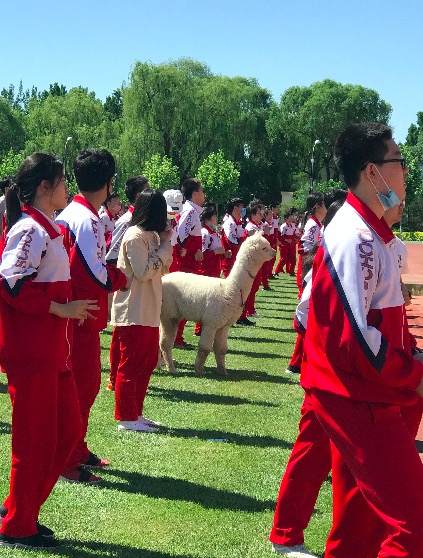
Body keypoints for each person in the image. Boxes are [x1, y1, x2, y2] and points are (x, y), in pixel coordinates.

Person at [303, 122, 423, 557]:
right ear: (373, 172)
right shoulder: (354, 237)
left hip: (368, 391)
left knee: (361, 526)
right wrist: (413, 373)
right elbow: (352, 340)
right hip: (357, 396)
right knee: (416, 528)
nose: (407, 171)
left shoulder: (372, 232)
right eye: (400, 161)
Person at [0, 153, 98, 550]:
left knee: (68, 431)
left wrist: (64, 310)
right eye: (61, 182)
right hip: (32, 355)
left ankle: (19, 510)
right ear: (44, 188)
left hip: (50, 352)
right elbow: (10, 285)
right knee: (34, 442)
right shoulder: (29, 229)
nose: (67, 189)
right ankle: (18, 523)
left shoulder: (46, 226)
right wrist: (61, 308)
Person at [57, 149, 128, 483]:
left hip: (79, 314)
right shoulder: (85, 218)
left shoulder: (77, 212)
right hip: (79, 315)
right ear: (109, 182)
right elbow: (91, 271)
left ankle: (77, 448)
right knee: (81, 388)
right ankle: (68, 462)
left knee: (86, 385)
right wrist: (120, 278)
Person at [111, 189, 172, 432]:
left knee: (146, 363)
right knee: (131, 364)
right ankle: (126, 417)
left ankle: (136, 412)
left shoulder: (151, 236)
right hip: (133, 309)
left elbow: (162, 268)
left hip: (148, 308)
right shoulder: (135, 236)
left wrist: (164, 246)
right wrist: (165, 246)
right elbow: (143, 271)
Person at [106, 175, 150, 391]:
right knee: (121, 331)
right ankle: (114, 377)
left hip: (142, 287)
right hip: (127, 285)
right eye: (147, 189)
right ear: (139, 195)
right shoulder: (126, 222)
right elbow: (111, 255)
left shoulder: (142, 220)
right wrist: (121, 281)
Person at [174, 178, 205, 349]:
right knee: (184, 300)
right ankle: (176, 338)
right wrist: (194, 251)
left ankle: (178, 336)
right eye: (202, 191)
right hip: (187, 262)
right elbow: (181, 235)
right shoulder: (190, 212)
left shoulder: (193, 211)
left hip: (190, 261)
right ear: (194, 194)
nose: (204, 194)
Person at [194, 204, 231, 335]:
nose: (217, 218)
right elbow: (201, 255)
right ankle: (199, 328)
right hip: (206, 271)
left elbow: (216, 251)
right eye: (215, 216)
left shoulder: (214, 233)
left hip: (214, 270)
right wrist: (216, 252)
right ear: (208, 219)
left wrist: (224, 254)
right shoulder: (204, 233)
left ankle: (205, 327)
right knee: (204, 301)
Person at [296, 194, 326, 295]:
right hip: (308, 262)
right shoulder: (313, 225)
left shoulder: (316, 224)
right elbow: (304, 246)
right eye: (325, 205)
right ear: (318, 207)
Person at [274, 208, 299, 277]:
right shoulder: (284, 226)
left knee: (293, 258)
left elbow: (295, 233)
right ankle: (276, 271)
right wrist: (286, 240)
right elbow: (281, 236)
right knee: (283, 259)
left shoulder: (293, 225)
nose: (291, 218)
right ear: (286, 218)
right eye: (290, 217)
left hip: (291, 244)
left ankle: (291, 271)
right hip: (284, 245)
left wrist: (295, 238)